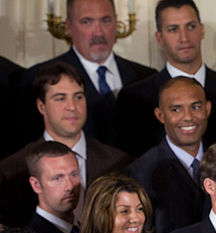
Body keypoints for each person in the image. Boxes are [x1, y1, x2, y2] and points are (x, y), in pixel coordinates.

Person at [0, 62, 130, 227]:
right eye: (60, 98)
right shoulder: (11, 169)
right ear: (41, 106)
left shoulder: (120, 162)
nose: (72, 107)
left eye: (78, 97)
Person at [115, 0, 216, 156]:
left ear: (202, 30)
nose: (184, 38)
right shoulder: (135, 98)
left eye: (190, 27)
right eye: (173, 29)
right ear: (159, 37)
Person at [20, 0, 155, 147]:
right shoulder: (37, 78)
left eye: (105, 20)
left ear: (116, 22)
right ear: (69, 27)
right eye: (87, 22)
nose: (98, 32)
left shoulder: (147, 77)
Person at [126, 76, 210, 233]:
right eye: (176, 109)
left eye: (196, 106)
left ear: (207, 109)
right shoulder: (139, 174)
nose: (188, 117)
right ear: (160, 115)